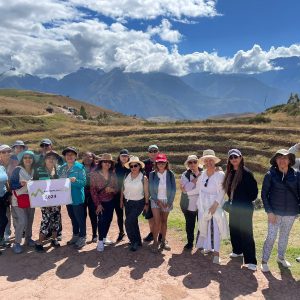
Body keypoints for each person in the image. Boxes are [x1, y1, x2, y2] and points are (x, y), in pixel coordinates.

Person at [261, 149, 300, 272]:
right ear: (276, 160)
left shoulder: (297, 174)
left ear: (289, 161)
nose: (282, 160)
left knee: (284, 236)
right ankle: (264, 261)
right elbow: (264, 195)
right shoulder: (270, 175)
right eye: (279, 158)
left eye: (285, 158)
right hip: (275, 213)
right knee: (271, 236)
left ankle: (281, 258)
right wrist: (269, 212)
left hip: (291, 212)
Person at [223, 149, 258, 271]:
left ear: (241, 157)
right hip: (234, 207)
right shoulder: (230, 172)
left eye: (235, 157)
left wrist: (242, 200)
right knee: (234, 230)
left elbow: (254, 193)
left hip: (244, 207)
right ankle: (237, 251)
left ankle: (251, 261)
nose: (233, 159)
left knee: (246, 233)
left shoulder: (246, 173)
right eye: (231, 157)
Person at [196, 149, 229, 264]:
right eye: (206, 160)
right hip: (203, 204)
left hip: (214, 203)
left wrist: (215, 205)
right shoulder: (203, 174)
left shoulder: (220, 174)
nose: (209, 162)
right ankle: (208, 247)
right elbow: (200, 189)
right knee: (205, 225)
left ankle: (217, 253)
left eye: (211, 160)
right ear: (204, 162)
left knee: (215, 227)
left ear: (214, 161)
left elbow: (222, 190)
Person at [58, 147, 86, 249]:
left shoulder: (80, 167)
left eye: (72, 155)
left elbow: (83, 183)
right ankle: (75, 236)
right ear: (65, 157)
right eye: (67, 155)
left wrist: (75, 181)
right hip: (66, 198)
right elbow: (58, 182)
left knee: (80, 219)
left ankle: (83, 237)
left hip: (77, 198)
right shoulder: (62, 168)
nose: (69, 156)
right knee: (73, 218)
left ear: (75, 156)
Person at [34, 150, 62, 252]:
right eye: (49, 158)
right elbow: (34, 184)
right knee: (46, 221)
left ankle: (54, 239)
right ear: (45, 159)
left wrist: (70, 180)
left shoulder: (59, 170)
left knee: (56, 220)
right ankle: (39, 243)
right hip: (44, 202)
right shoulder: (39, 170)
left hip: (56, 201)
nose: (51, 160)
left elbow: (63, 184)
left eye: (54, 158)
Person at [120, 156, 149, 251]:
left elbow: (146, 192)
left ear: (139, 166)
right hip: (127, 202)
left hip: (138, 203)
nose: (133, 168)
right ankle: (138, 241)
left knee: (127, 222)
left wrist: (146, 204)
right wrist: (121, 200)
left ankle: (133, 241)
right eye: (131, 166)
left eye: (135, 166)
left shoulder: (143, 178)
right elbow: (122, 189)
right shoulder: (126, 176)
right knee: (133, 222)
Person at [10, 150, 36, 254]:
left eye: (30, 157)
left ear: (33, 159)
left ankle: (28, 239)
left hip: (32, 199)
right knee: (22, 221)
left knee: (30, 220)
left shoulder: (35, 170)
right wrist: (20, 184)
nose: (28, 159)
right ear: (22, 159)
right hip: (18, 200)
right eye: (25, 158)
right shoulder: (17, 170)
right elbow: (12, 185)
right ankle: (16, 243)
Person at [90, 153, 118, 252]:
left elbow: (117, 188)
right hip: (99, 202)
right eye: (105, 162)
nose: (107, 164)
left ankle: (104, 237)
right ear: (101, 163)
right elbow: (92, 191)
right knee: (101, 221)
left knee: (109, 220)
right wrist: (98, 205)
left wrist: (112, 190)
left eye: (109, 162)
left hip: (110, 201)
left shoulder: (112, 173)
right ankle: (100, 241)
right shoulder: (94, 174)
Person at [149, 153, 176, 252]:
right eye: (159, 162)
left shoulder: (170, 174)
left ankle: (164, 241)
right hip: (155, 200)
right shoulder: (152, 174)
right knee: (157, 222)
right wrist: (157, 201)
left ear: (166, 163)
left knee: (164, 221)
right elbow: (151, 189)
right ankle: (155, 242)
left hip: (167, 200)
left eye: (163, 162)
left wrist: (169, 201)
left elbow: (173, 189)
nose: (161, 164)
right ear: (156, 163)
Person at [180, 155, 202, 250]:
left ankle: (200, 242)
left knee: (202, 224)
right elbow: (186, 189)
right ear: (188, 164)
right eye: (190, 162)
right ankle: (190, 242)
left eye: (194, 162)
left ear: (198, 163)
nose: (192, 164)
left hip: (202, 203)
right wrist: (197, 178)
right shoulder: (185, 174)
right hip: (189, 203)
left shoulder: (204, 173)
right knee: (190, 224)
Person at [143, 144, 160, 242]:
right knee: (150, 216)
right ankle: (152, 233)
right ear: (148, 153)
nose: (153, 153)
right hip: (148, 193)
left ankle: (161, 235)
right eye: (151, 151)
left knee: (161, 215)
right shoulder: (144, 164)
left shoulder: (163, 162)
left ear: (158, 152)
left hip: (160, 193)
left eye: (155, 151)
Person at [0, 144, 17, 242]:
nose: (6, 153)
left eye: (8, 151)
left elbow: (7, 181)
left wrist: (10, 193)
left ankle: (17, 232)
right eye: (3, 152)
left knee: (15, 212)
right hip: (1, 196)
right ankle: (6, 234)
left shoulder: (15, 163)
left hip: (10, 192)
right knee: (5, 215)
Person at [114, 149, 130, 242]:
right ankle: (121, 232)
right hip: (116, 194)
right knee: (119, 215)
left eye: (126, 156)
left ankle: (130, 232)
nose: (124, 157)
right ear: (119, 157)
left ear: (128, 157)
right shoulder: (115, 166)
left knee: (128, 215)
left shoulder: (132, 166)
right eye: (122, 156)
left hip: (129, 194)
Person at [82, 151, 98, 243]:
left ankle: (95, 235)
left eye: (90, 157)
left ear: (93, 158)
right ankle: (83, 235)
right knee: (82, 215)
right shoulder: (79, 167)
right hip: (82, 194)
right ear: (82, 157)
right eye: (85, 156)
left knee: (93, 215)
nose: (88, 158)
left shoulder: (96, 167)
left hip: (93, 195)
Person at [0, 163, 10, 253]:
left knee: (4, 221)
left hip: (3, 198)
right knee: (3, 220)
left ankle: (1, 240)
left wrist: (9, 192)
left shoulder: (2, 167)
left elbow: (6, 181)